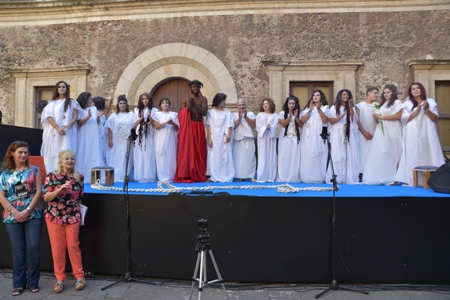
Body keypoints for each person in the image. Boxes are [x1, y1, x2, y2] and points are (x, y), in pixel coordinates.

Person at [0, 141, 43, 296]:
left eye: (26, 152)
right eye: (20, 152)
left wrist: (27, 210)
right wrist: (14, 211)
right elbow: (1, 195)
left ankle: (33, 282)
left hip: (33, 213)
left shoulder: (34, 170)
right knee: (18, 250)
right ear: (12, 153)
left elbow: (39, 192)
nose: (24, 155)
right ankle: (18, 284)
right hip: (11, 216)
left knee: (33, 248)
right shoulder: (4, 173)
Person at [43, 149, 85, 293]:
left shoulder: (79, 176)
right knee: (57, 248)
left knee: (74, 245)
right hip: (54, 215)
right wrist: (59, 189)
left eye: (72, 158)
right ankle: (60, 279)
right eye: (66, 158)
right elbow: (46, 198)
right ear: (60, 161)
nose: (69, 161)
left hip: (73, 215)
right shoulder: (52, 176)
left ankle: (79, 276)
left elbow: (80, 197)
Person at [395, 82, 445, 186]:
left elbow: (434, 118)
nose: (416, 90)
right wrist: (417, 109)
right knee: (414, 152)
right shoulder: (407, 104)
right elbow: (404, 119)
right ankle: (414, 179)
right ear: (411, 92)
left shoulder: (431, 102)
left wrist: (426, 108)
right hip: (412, 132)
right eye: (413, 89)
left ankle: (435, 179)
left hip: (428, 132)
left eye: (418, 88)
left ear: (422, 89)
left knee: (430, 151)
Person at [363, 84, 403, 185]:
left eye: (388, 92)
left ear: (393, 93)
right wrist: (376, 117)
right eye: (384, 93)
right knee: (386, 152)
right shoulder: (384, 104)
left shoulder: (397, 103)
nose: (386, 94)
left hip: (393, 129)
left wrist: (381, 117)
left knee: (395, 152)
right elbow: (380, 117)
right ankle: (387, 175)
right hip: (383, 129)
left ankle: (396, 177)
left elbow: (398, 116)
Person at [41, 81, 81, 173]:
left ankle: (68, 175)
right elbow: (48, 116)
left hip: (68, 132)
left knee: (68, 151)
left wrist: (68, 125)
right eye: (59, 87)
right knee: (55, 153)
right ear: (57, 89)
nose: (61, 88)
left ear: (67, 89)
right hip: (54, 133)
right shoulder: (51, 103)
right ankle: (54, 175)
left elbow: (75, 116)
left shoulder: (72, 102)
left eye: (63, 87)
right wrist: (57, 128)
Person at [174, 79, 208, 182]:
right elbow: (180, 113)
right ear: (191, 88)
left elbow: (205, 112)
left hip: (199, 127)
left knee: (200, 151)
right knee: (189, 151)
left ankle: (200, 173)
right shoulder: (186, 99)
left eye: (197, 87)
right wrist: (188, 108)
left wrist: (195, 105)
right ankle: (188, 172)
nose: (196, 88)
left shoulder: (203, 99)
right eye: (194, 87)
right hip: (188, 129)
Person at [326, 89, 360, 184]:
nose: (346, 96)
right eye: (344, 95)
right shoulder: (334, 107)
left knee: (349, 153)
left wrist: (350, 107)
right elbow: (331, 121)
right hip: (338, 131)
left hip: (348, 131)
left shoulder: (352, 107)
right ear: (340, 96)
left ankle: (348, 177)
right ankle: (338, 176)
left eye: (347, 95)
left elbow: (353, 119)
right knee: (338, 153)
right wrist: (341, 116)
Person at [300, 90, 330, 183]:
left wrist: (318, 109)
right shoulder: (307, 109)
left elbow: (325, 120)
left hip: (319, 135)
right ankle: (307, 177)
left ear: (321, 97)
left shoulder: (325, 108)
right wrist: (310, 109)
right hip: (308, 135)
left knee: (319, 155)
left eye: (318, 95)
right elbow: (303, 120)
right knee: (308, 155)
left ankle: (318, 177)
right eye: (314, 95)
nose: (315, 97)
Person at [105, 95, 135, 182]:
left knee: (127, 157)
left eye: (124, 103)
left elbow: (134, 126)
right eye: (120, 103)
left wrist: (132, 137)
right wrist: (110, 140)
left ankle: (126, 175)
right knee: (117, 157)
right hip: (116, 140)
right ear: (118, 105)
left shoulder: (131, 115)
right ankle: (117, 175)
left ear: (126, 105)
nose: (122, 105)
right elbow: (109, 127)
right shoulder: (114, 116)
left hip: (127, 140)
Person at [206, 93, 234, 182]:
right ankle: (214, 176)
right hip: (214, 135)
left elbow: (230, 124)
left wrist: (229, 135)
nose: (224, 102)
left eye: (224, 100)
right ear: (218, 101)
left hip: (224, 136)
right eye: (223, 100)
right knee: (214, 156)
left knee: (225, 156)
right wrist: (209, 139)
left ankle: (225, 175)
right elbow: (208, 126)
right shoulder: (211, 112)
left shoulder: (227, 111)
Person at [76, 92, 104, 183]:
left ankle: (96, 178)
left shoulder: (94, 108)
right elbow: (79, 123)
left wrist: (99, 117)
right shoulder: (78, 109)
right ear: (85, 99)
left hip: (93, 135)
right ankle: (83, 176)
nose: (92, 100)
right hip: (83, 135)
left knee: (93, 153)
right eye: (90, 99)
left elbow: (97, 123)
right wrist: (88, 116)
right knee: (83, 154)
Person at [277, 95, 302, 182]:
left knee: (295, 157)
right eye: (290, 103)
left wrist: (296, 117)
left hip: (295, 138)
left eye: (293, 103)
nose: (291, 105)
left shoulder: (299, 113)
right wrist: (290, 116)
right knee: (285, 156)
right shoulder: (282, 113)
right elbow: (283, 124)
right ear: (287, 104)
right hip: (285, 138)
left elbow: (301, 124)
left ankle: (293, 176)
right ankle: (284, 176)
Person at [153, 97, 179, 182]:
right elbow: (156, 126)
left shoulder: (174, 114)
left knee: (171, 156)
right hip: (160, 138)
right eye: (163, 103)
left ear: (169, 104)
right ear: (160, 105)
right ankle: (162, 177)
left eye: (167, 103)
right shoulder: (157, 114)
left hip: (171, 138)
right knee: (161, 155)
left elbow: (177, 127)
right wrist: (166, 123)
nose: (165, 104)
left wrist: (172, 123)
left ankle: (171, 176)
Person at [133, 93, 157, 182]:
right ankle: (140, 175)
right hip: (140, 132)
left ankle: (149, 176)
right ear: (140, 100)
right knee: (139, 153)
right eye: (143, 99)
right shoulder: (136, 110)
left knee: (149, 153)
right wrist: (141, 117)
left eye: (146, 99)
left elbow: (155, 123)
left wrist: (149, 116)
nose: (145, 100)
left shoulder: (154, 110)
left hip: (150, 132)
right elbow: (134, 123)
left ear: (149, 100)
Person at [356, 87, 379, 181]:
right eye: (375, 93)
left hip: (374, 133)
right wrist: (364, 132)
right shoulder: (359, 106)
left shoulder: (377, 106)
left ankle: (371, 173)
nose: (376, 95)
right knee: (362, 153)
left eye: (377, 93)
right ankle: (360, 173)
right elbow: (356, 120)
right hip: (362, 133)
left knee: (372, 153)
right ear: (369, 93)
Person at [254, 97, 279, 182]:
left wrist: (270, 128)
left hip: (271, 139)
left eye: (267, 103)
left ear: (270, 105)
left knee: (271, 156)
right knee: (262, 156)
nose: (265, 105)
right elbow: (258, 127)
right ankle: (262, 176)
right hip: (262, 138)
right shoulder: (259, 115)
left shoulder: (275, 115)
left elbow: (275, 127)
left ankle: (270, 177)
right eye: (264, 104)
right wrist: (265, 128)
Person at [232, 98, 256, 181]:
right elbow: (232, 127)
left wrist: (245, 117)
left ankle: (251, 176)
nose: (241, 106)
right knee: (239, 160)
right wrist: (239, 119)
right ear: (236, 106)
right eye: (239, 105)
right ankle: (241, 176)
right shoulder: (233, 115)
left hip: (248, 139)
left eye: (243, 105)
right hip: (238, 140)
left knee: (250, 159)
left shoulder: (251, 114)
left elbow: (253, 125)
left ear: (245, 105)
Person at [92, 96, 113, 166]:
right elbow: (109, 101)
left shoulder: (100, 113)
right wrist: (107, 98)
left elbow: (98, 123)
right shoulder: (103, 113)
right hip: (102, 135)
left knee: (99, 152)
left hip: (98, 135)